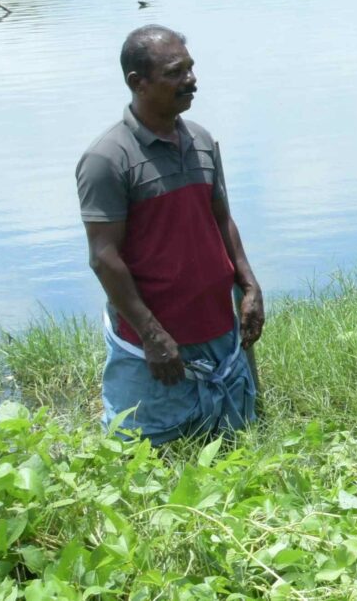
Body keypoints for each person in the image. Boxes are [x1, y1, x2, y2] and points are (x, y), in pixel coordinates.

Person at [76, 25, 264, 446]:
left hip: (218, 330)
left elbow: (222, 219)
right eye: (176, 73)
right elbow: (103, 256)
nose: (191, 80)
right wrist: (151, 333)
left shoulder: (200, 140)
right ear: (137, 83)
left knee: (239, 445)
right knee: (145, 456)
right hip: (156, 340)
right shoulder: (107, 158)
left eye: (191, 69)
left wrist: (249, 284)